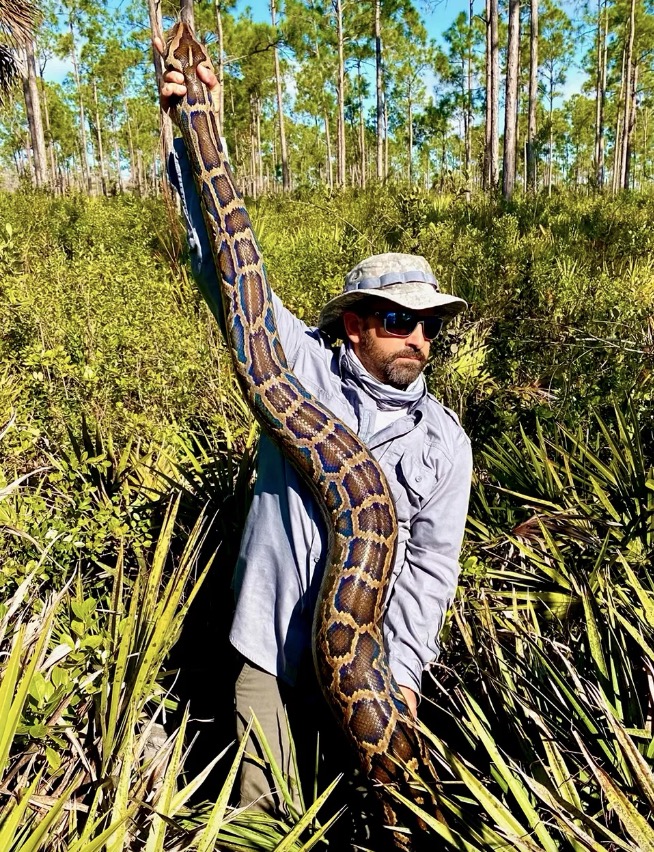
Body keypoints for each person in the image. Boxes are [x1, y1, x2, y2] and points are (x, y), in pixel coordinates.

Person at [158, 52, 473, 830]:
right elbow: (227, 261)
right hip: (268, 642)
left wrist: (398, 679)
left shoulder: (445, 443)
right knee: (265, 819)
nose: (419, 337)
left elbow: (432, 568)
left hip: (370, 671)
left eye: (430, 324)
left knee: (372, 820)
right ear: (357, 324)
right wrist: (198, 128)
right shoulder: (298, 364)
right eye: (400, 319)